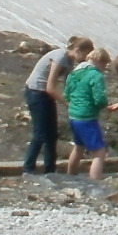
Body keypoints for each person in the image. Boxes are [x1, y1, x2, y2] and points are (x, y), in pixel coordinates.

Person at [23, 37, 91, 175]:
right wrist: (67, 104)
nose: (85, 59)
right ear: (77, 50)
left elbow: (67, 83)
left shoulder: (70, 61)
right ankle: (28, 168)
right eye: (85, 55)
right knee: (40, 133)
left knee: (52, 134)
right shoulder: (60, 56)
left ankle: (50, 169)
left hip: (45, 95)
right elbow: (50, 87)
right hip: (36, 92)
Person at [65, 48, 111, 180]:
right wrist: (104, 105)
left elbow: (66, 94)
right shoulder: (96, 75)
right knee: (99, 152)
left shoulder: (74, 73)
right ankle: (96, 179)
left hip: (73, 115)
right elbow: (100, 98)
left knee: (78, 147)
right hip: (87, 117)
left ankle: (71, 175)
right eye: (104, 64)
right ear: (99, 61)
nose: (104, 68)